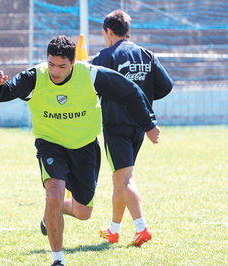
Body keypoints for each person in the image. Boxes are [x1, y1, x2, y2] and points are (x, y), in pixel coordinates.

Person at [0, 35, 160, 265]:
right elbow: (6, 92)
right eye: (51, 64)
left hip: (85, 147)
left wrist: (148, 124)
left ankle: (52, 215)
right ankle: (57, 259)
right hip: (50, 144)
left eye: (62, 66)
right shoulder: (35, 76)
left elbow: (129, 91)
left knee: (83, 212)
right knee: (54, 195)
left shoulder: (90, 75)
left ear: (73, 63)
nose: (55, 71)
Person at [92, 10, 173, 247]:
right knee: (120, 177)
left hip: (115, 124)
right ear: (128, 30)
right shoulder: (146, 54)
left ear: (108, 31)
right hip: (139, 125)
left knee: (124, 178)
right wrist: (144, 98)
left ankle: (141, 228)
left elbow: (91, 86)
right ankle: (114, 230)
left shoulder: (106, 56)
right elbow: (166, 86)